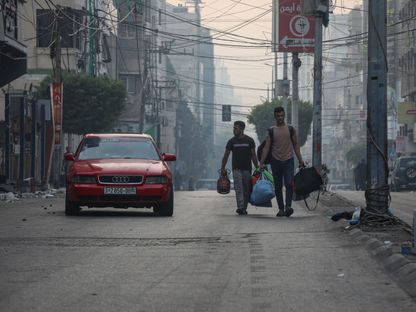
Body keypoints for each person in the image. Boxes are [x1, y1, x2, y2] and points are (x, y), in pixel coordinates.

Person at [259, 106, 305, 217]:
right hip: (276, 161)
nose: (280, 117)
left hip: (288, 160)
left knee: (289, 183)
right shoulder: (271, 131)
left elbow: (296, 145)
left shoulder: (290, 129)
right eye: (278, 116)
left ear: (284, 115)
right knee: (278, 185)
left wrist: (300, 160)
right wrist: (261, 162)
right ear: (275, 116)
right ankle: (281, 209)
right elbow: (266, 147)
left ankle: (288, 206)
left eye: (281, 115)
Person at [221, 121, 259, 215]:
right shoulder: (231, 141)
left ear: (242, 129)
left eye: (236, 128)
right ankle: (240, 207)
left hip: (247, 169)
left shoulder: (249, 140)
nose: (234, 130)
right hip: (236, 169)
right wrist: (222, 167)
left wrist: (257, 168)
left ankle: (244, 208)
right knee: (238, 188)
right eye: (234, 128)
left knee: (246, 189)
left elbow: (253, 155)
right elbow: (226, 155)